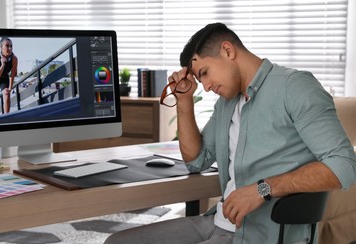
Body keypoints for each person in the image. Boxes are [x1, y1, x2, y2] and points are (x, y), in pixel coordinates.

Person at [104, 23, 356, 244]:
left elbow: (344, 165)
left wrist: (262, 189)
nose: (206, 86)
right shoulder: (227, 102)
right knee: (116, 241)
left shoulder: (295, 87)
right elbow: (195, 160)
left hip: (261, 234)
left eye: (204, 73)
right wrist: (184, 101)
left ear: (227, 50)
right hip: (217, 223)